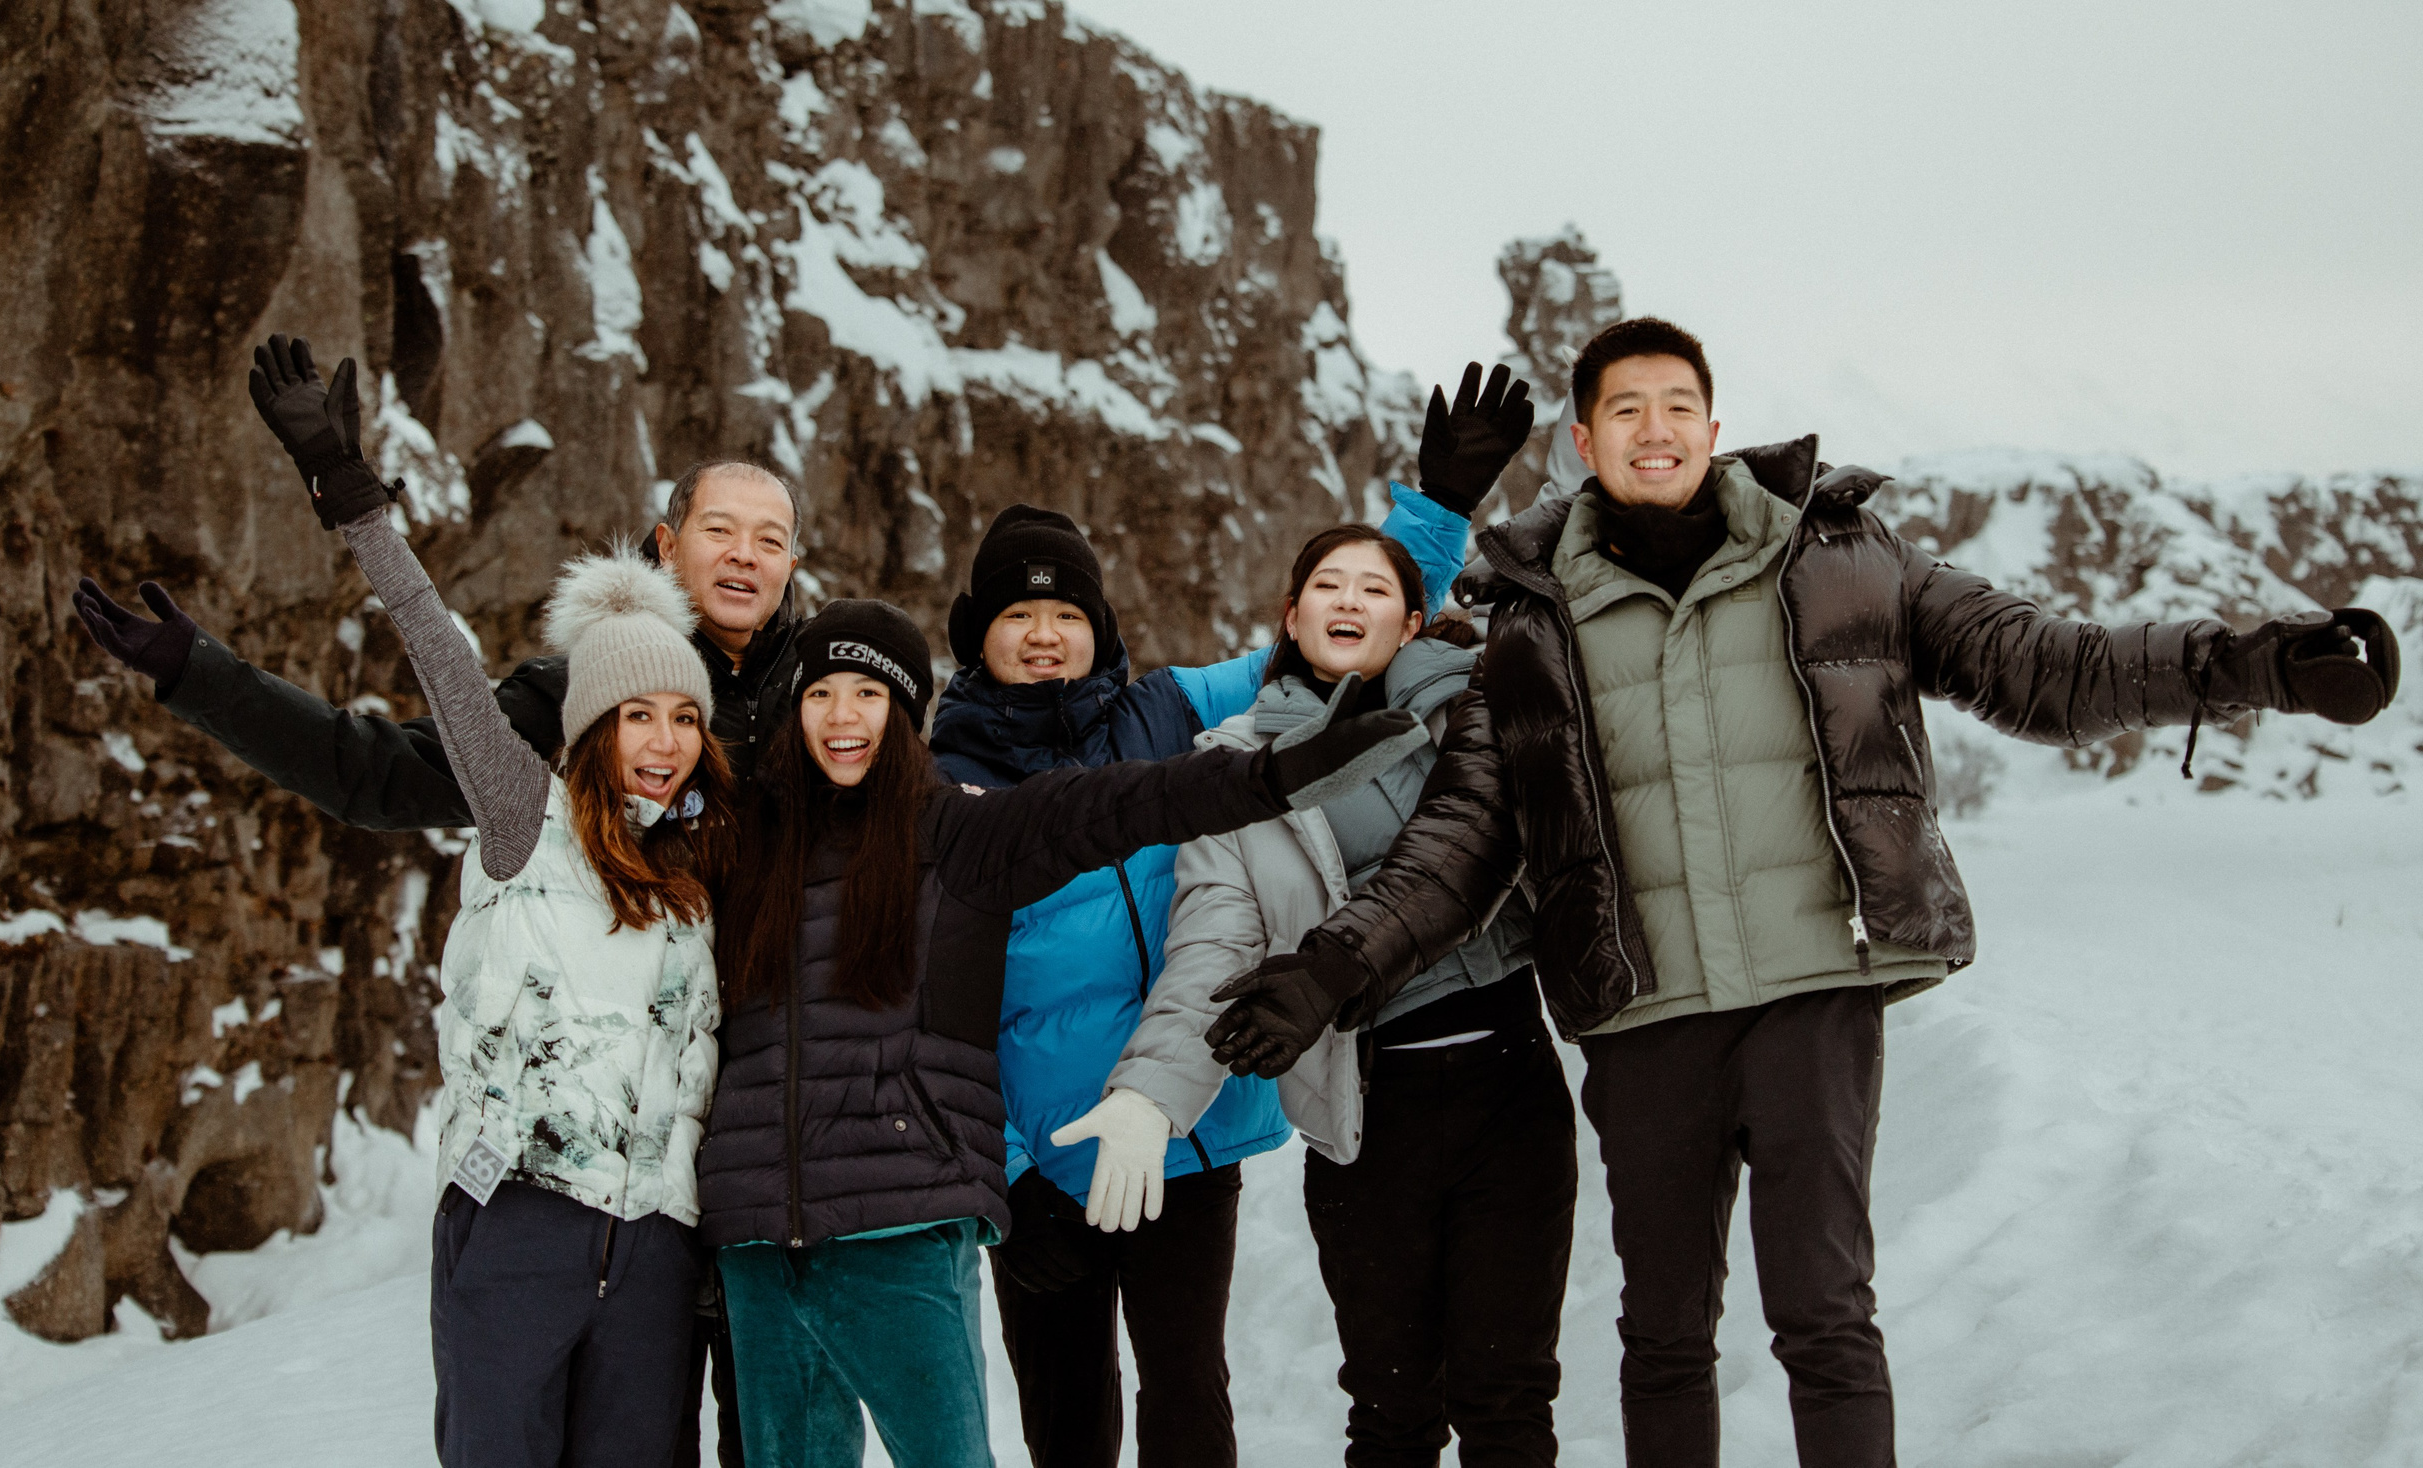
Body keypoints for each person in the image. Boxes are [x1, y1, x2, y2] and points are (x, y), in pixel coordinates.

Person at [1202, 317, 2402, 1468]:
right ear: (1582, 440)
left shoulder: (1839, 556)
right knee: (1664, 1330)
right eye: (1626, 409)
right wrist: (1331, 966)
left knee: (1824, 1312)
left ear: (1714, 425)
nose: (1654, 427)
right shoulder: (1529, 621)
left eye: (1678, 405)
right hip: (1646, 1011)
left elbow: (2045, 664)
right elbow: (1459, 837)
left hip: (1812, 989)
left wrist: (2253, 665)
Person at [74, 427, 809, 1467]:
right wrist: (211, 666)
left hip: (708, 1206)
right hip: (538, 1200)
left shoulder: (824, 717)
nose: (744, 554)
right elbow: (391, 745)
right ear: (664, 542)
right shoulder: (534, 790)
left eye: (771, 537)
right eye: (720, 528)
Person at [928, 364, 1528, 1468]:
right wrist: (1001, 1171)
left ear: (1100, 625)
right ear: (981, 633)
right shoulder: (936, 782)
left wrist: (1435, 511)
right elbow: (937, 1000)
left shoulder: (1168, 708)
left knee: (1187, 1392)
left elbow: (1336, 645)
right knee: (1065, 1416)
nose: (1047, 633)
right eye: (1021, 614)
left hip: (1181, 1131)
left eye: (1067, 612)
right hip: (1038, 1156)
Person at [694, 596, 1431, 1468]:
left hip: (902, 1225)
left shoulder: (958, 834)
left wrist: (1275, 775)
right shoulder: (740, 849)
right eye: (822, 695)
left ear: (902, 713)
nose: (843, 717)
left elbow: (1126, 804)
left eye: (869, 694)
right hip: (758, 1245)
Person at [1095, 522, 1566, 1467]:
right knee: (1392, 1410)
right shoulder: (1230, 769)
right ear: (1292, 612)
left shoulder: (1477, 711)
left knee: (1508, 1399)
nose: (1349, 602)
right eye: (1328, 585)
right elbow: (1212, 939)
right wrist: (1151, 1093)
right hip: (1365, 1114)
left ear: (1415, 618)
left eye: (1375, 589)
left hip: (1509, 1087)